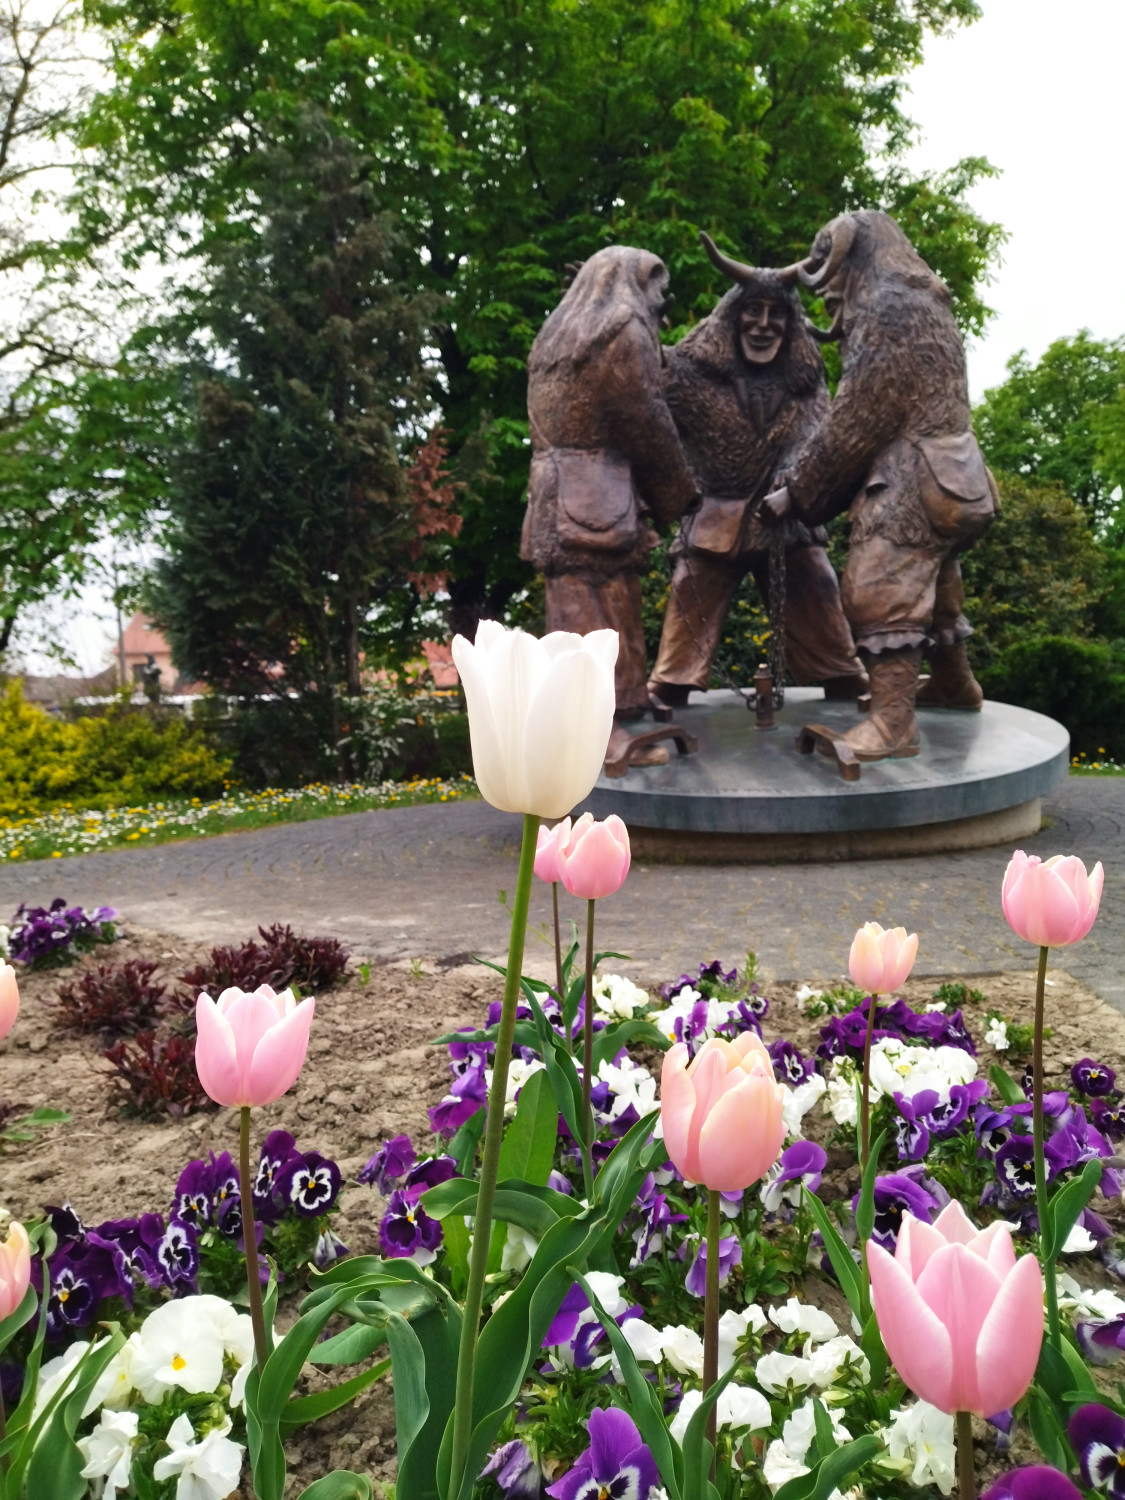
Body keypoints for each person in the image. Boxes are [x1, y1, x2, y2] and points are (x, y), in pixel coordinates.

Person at [762, 211, 996, 763]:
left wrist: (797, 491)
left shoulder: (885, 309)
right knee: (937, 581)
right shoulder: (927, 301)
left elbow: (858, 419)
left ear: (851, 263)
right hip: (958, 474)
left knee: (880, 586)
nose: (826, 294)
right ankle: (955, 684)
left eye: (829, 275)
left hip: (911, 479)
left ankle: (893, 724)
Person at [648, 235, 864, 708]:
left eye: (776, 314)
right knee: (691, 584)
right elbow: (646, 380)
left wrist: (791, 485)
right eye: (752, 311)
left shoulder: (805, 382)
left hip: (784, 516)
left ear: (791, 324)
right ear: (733, 316)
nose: (763, 325)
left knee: (815, 581)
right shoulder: (689, 370)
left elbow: (817, 437)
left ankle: (841, 672)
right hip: (714, 514)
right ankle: (672, 680)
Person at [522, 245, 699, 765]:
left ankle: (621, 709)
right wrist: (679, 492)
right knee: (592, 617)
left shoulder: (557, 332)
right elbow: (645, 418)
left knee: (600, 608)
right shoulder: (624, 328)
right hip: (596, 492)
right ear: (639, 282)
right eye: (659, 293)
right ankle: (597, 732)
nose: (662, 306)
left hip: (560, 489)